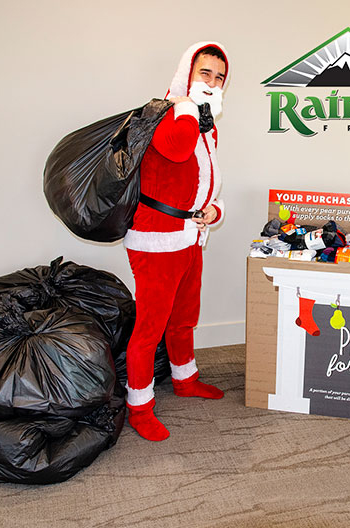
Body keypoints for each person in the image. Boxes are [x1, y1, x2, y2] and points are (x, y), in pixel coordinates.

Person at [122, 42, 229, 441]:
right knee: (149, 327)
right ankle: (139, 406)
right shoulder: (168, 115)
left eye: (219, 78)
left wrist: (213, 212)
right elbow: (179, 150)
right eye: (205, 73)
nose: (213, 83)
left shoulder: (205, 123)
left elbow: (202, 183)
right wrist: (187, 104)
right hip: (156, 240)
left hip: (189, 236)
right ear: (187, 72)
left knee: (185, 316)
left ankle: (185, 379)